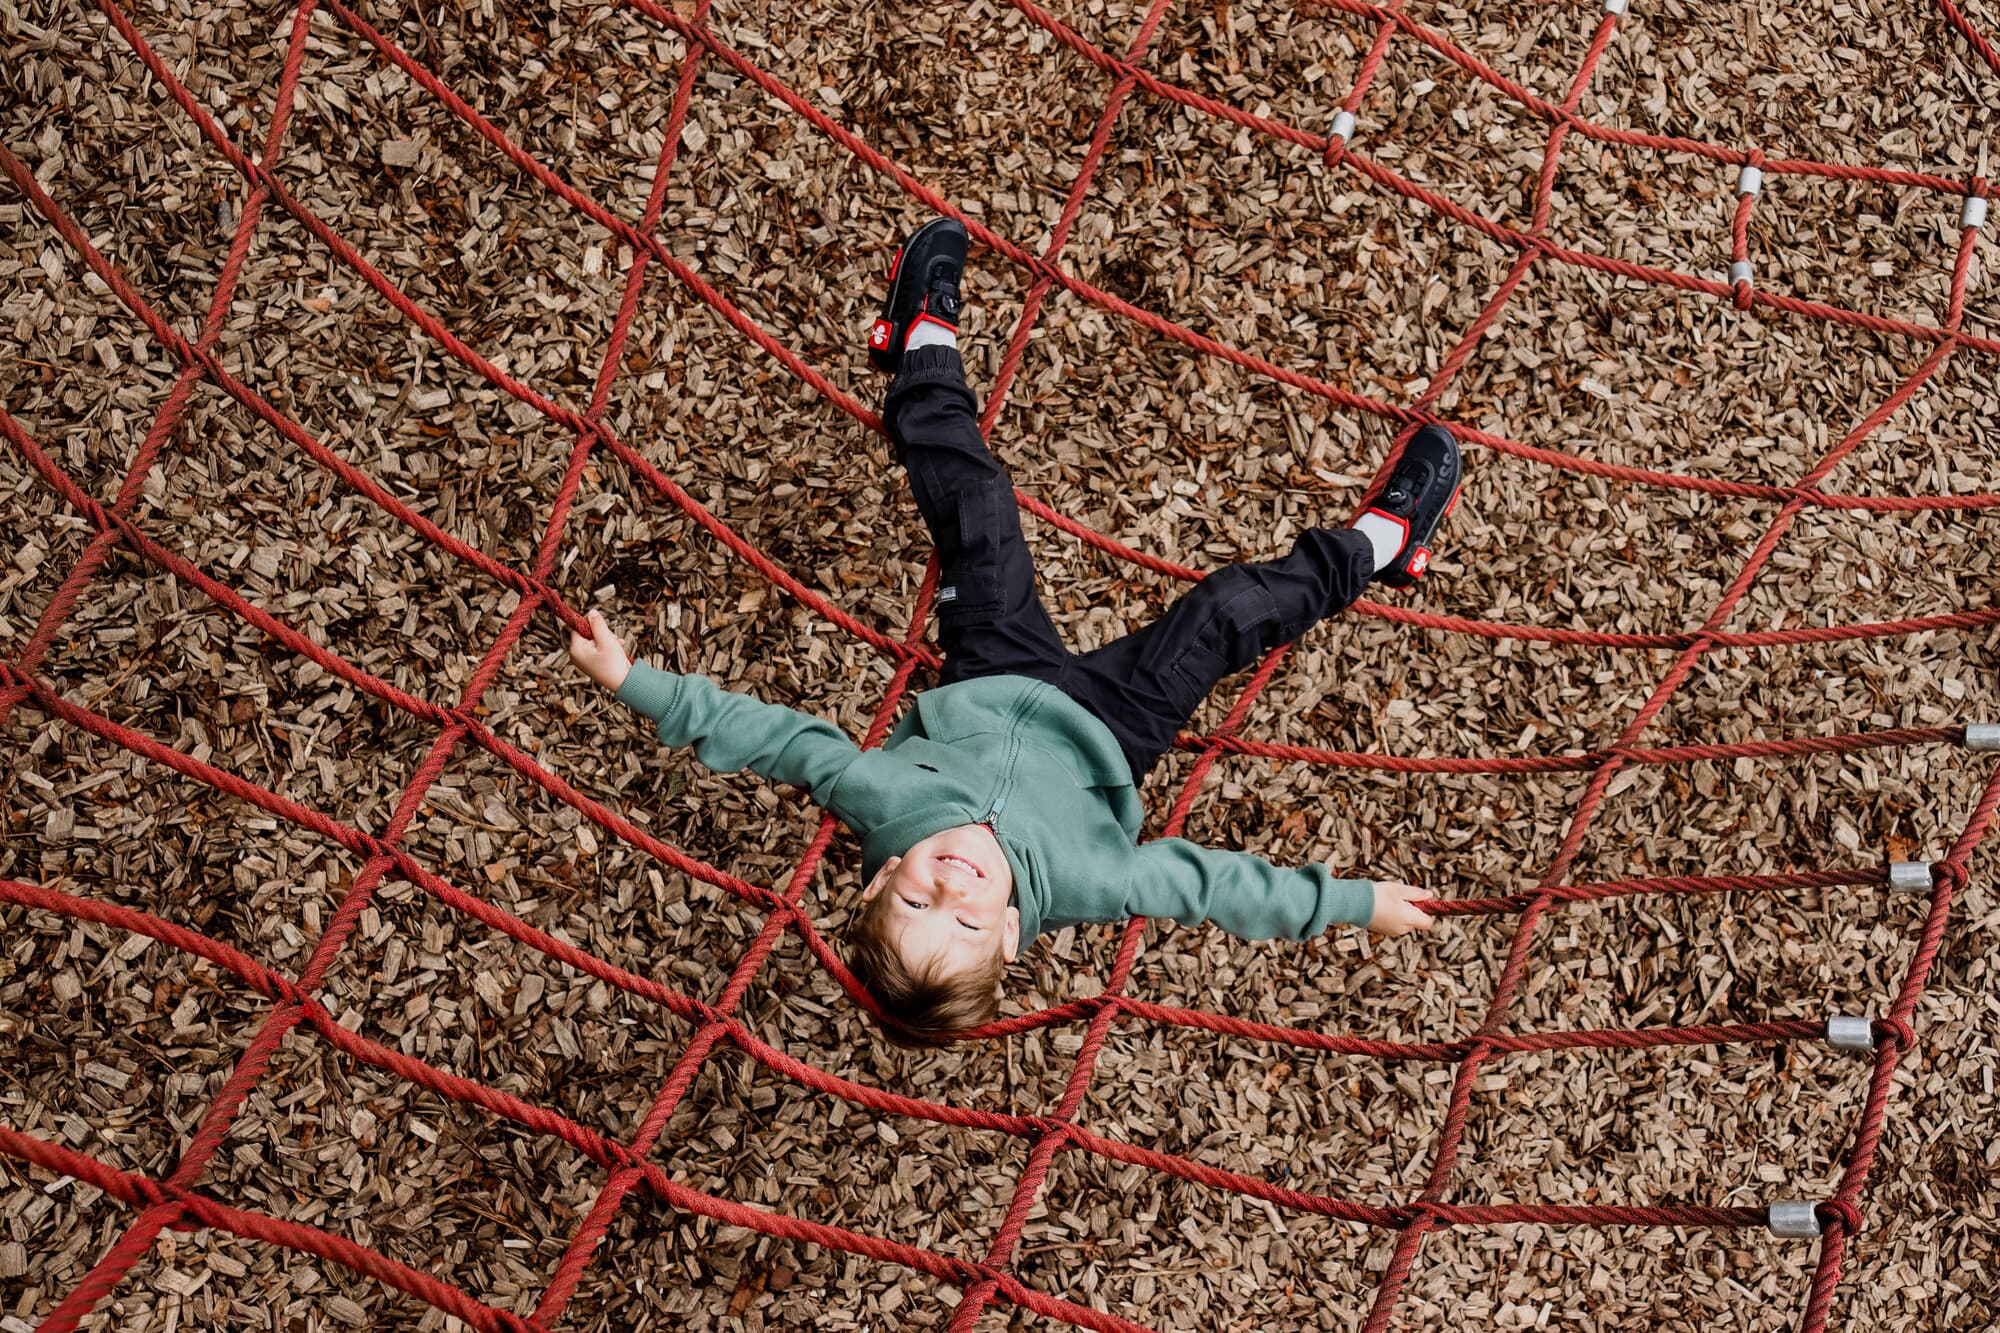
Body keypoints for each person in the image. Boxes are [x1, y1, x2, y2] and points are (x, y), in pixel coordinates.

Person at [568, 217, 1460, 1045]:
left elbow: (774, 738)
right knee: (1227, 613)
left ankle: (919, 346)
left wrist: (632, 679)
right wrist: (1350, 902)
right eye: (963, 921)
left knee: (979, 508)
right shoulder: (1089, 882)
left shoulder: (877, 800)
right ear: (1007, 932)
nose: (951, 887)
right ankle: (1383, 544)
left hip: (992, 665)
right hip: (1114, 726)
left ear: (879, 878)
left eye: (915, 899)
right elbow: (1212, 887)